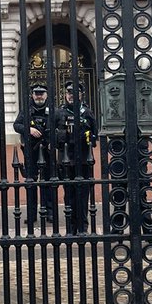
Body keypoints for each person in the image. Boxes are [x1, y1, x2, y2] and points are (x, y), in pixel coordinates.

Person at [54, 80, 98, 235]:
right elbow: (50, 135)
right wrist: (60, 135)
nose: (71, 96)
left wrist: (89, 137)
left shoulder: (87, 112)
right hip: (66, 160)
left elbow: (95, 135)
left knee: (83, 194)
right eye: (69, 93)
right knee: (69, 195)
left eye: (75, 93)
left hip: (84, 159)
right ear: (65, 95)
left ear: (81, 94)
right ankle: (71, 228)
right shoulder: (59, 113)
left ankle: (83, 227)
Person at [13, 83, 56, 229]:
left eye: (41, 93)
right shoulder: (27, 110)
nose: (39, 96)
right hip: (31, 150)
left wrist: (53, 141)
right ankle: (31, 215)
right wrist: (29, 129)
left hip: (47, 150)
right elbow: (16, 125)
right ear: (32, 95)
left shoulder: (53, 110)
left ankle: (49, 212)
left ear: (46, 95)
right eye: (36, 93)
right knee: (31, 183)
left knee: (48, 182)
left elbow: (59, 127)